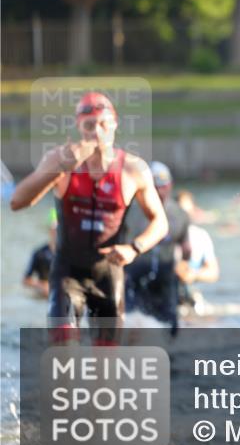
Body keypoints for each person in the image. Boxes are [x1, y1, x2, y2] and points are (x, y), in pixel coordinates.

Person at [9, 92, 168, 344]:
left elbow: (160, 222)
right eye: (89, 125)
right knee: (64, 347)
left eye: (104, 124)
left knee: (105, 370)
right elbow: (17, 201)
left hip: (109, 275)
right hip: (67, 274)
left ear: (115, 124)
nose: (97, 132)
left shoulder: (133, 169)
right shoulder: (59, 159)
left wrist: (134, 248)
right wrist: (59, 169)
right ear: (79, 127)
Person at [124, 161, 190, 336]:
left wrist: (185, 264)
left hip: (165, 276)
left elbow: (185, 245)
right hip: (134, 277)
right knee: (132, 326)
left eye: (163, 186)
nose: (159, 191)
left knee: (170, 328)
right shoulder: (129, 210)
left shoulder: (179, 214)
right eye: (155, 187)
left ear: (170, 186)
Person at [175, 190, 221, 312]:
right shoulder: (164, 234)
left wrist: (193, 275)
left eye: (186, 212)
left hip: (190, 293)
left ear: (193, 211)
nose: (183, 217)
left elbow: (213, 272)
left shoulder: (201, 236)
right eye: (180, 212)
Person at [23, 209, 58, 299]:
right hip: (43, 294)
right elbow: (26, 280)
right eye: (54, 229)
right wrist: (41, 285)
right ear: (49, 229)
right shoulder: (39, 253)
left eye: (59, 229)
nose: (56, 233)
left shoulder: (68, 253)